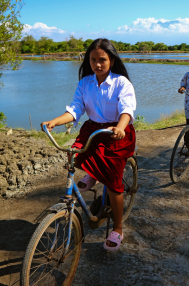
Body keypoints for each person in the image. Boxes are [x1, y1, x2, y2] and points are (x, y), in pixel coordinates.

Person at [41, 38, 136, 251]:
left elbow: (127, 109)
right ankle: (92, 174)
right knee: (72, 153)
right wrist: (55, 121)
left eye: (102, 60)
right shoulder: (85, 83)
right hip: (93, 129)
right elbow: (75, 109)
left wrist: (120, 127)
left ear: (111, 60)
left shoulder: (121, 83)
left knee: (113, 183)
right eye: (93, 60)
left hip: (114, 133)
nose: (97, 64)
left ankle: (118, 228)